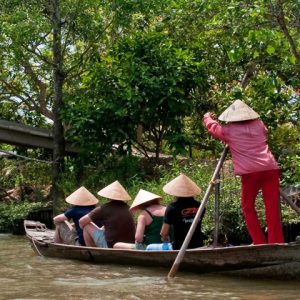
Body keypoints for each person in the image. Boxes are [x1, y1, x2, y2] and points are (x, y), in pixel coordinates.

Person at [203, 99, 284, 245]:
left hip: (251, 173)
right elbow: (265, 134)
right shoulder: (259, 125)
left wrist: (207, 116)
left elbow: (213, 127)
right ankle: (275, 242)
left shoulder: (228, 131)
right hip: (270, 168)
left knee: (248, 207)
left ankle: (259, 242)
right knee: (272, 208)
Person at [79, 180, 135, 248]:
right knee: (104, 227)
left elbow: (81, 222)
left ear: (108, 197)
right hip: (128, 246)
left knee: (86, 226)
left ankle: (91, 252)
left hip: (110, 246)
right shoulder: (128, 208)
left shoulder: (104, 208)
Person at [160, 173, 206, 250]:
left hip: (179, 247)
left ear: (176, 193)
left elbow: (164, 233)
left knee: (150, 247)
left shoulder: (172, 208)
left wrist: (165, 239)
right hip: (198, 245)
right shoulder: (201, 206)